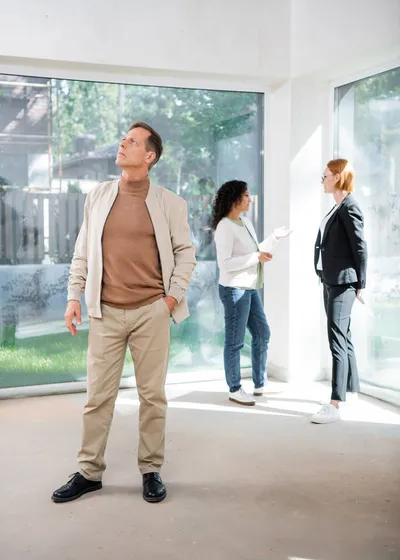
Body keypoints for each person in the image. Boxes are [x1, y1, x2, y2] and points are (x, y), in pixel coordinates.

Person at [51, 122, 196, 503]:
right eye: (123, 139)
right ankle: (88, 471)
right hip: (105, 312)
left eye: (132, 141)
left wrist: (171, 299)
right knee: (97, 396)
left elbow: (186, 253)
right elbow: (82, 250)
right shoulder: (98, 196)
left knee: (152, 396)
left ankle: (151, 470)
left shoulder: (171, 203)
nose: (123, 143)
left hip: (152, 310)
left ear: (149, 156)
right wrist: (73, 297)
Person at [212, 180, 291, 406]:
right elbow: (225, 264)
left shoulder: (245, 222)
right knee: (235, 342)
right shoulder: (225, 227)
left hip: (250, 287)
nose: (250, 199)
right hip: (234, 290)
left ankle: (259, 384)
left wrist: (274, 238)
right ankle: (235, 388)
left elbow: (256, 251)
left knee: (262, 333)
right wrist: (255, 258)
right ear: (235, 199)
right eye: (246, 195)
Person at [311, 159, 367, 424]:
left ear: (337, 177)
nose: (321, 180)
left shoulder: (349, 207)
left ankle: (335, 403)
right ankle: (351, 392)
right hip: (330, 279)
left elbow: (360, 248)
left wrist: (361, 284)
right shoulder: (338, 207)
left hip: (343, 282)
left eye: (324, 176)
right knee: (344, 336)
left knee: (336, 340)